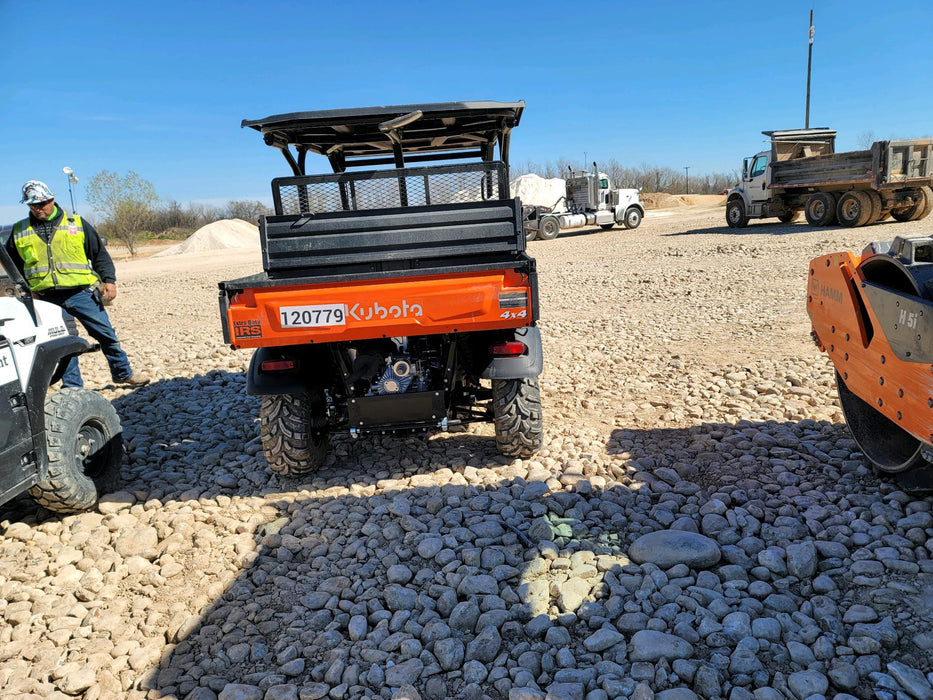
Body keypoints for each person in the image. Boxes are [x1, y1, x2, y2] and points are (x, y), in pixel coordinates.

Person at [6, 180, 149, 388]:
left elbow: (99, 254)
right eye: (33, 205)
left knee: (105, 333)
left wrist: (109, 281)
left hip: (81, 293)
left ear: (52, 200)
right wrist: (27, 291)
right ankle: (73, 386)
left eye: (42, 203)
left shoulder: (76, 223)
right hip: (46, 298)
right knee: (64, 342)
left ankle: (122, 372)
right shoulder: (20, 230)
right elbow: (14, 267)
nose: (39, 208)